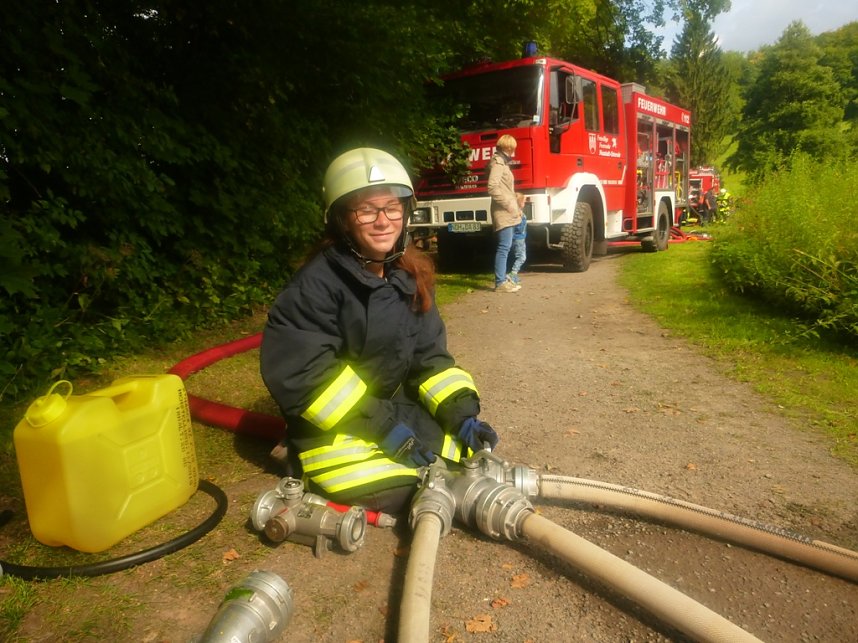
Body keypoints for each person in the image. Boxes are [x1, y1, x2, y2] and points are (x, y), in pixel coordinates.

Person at [260, 147, 499, 515]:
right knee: (415, 489)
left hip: (390, 413)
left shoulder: (409, 276)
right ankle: (295, 456)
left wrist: (462, 416)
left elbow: (430, 359)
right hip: (335, 428)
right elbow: (307, 379)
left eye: (392, 207)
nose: (383, 221)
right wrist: (384, 429)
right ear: (342, 220)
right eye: (367, 210)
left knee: (465, 458)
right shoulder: (314, 288)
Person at [487, 134, 522, 292]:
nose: (514, 152)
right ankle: (500, 283)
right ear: (507, 147)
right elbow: (492, 187)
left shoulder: (502, 163)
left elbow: (505, 188)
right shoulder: (498, 163)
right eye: (512, 148)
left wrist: (515, 205)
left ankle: (503, 280)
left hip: (508, 211)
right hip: (503, 212)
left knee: (506, 246)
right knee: (504, 247)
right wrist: (508, 204)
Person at [507, 192, 527, 288]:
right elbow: (518, 228)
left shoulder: (517, 213)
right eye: (524, 202)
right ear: (519, 203)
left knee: (521, 256)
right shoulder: (518, 214)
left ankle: (513, 274)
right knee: (521, 257)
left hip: (520, 238)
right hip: (519, 239)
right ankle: (513, 273)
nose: (525, 203)